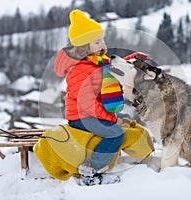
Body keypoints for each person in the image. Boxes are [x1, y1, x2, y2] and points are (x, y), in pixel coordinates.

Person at [54, 9, 150, 185]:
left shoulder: (98, 60)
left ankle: (131, 154)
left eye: (101, 40)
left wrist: (133, 59)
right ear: (84, 47)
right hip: (82, 116)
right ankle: (91, 169)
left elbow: (113, 67)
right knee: (115, 133)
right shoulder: (79, 70)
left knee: (126, 119)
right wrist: (111, 119)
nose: (101, 44)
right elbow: (87, 103)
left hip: (93, 112)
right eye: (96, 41)